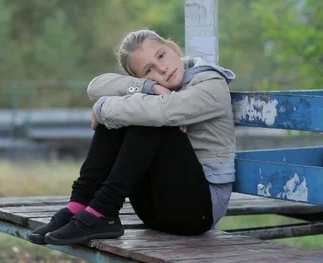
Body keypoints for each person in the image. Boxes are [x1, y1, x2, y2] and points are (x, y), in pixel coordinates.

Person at [28, 29, 236, 246]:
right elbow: (96, 86)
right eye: (149, 70)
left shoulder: (211, 84)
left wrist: (102, 108)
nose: (162, 69)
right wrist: (147, 87)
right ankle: (79, 204)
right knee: (133, 110)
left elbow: (164, 111)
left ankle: (103, 210)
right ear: (140, 77)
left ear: (174, 49)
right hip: (152, 209)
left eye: (162, 55)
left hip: (198, 212)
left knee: (143, 115)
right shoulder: (153, 86)